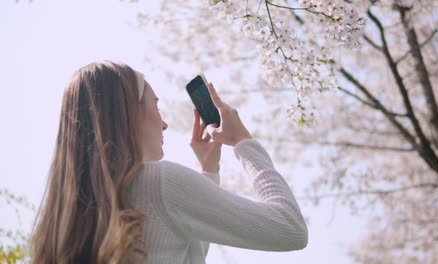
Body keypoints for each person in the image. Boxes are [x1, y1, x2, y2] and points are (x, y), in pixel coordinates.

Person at [28, 61, 308, 264]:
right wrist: (243, 143)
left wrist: (209, 172)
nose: (164, 123)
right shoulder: (159, 182)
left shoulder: (61, 218)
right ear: (127, 112)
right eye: (156, 105)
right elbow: (290, 229)